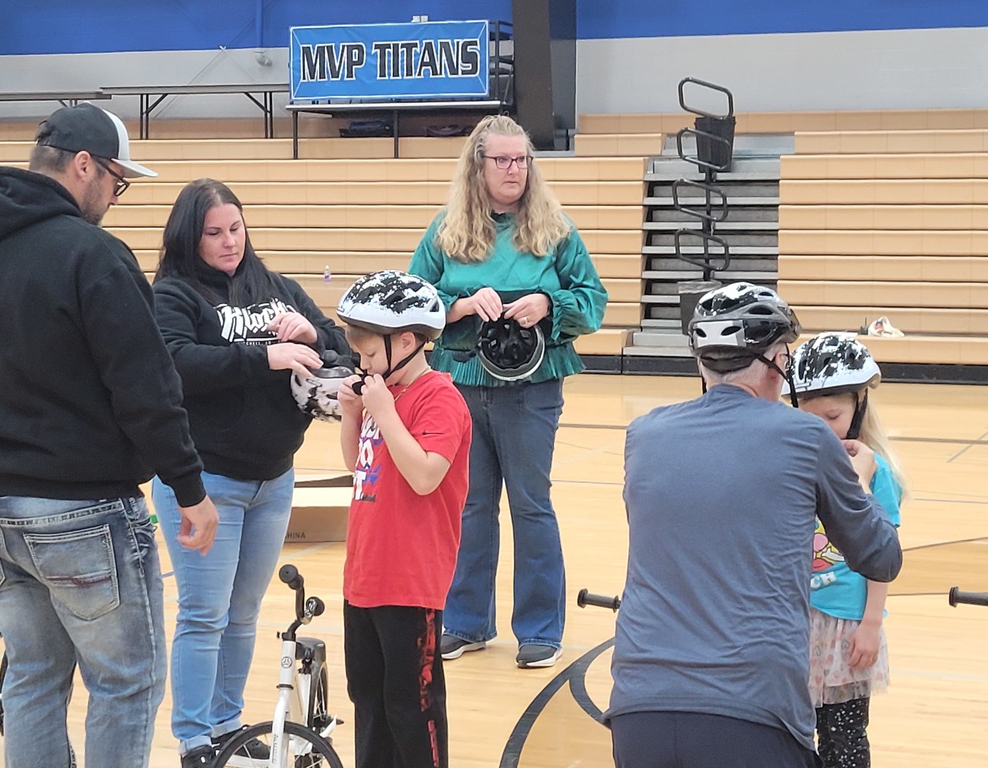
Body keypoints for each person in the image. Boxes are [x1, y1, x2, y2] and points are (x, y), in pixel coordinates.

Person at [0, 103, 219, 768]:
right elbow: (147, 387)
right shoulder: (92, 254)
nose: (113, 194)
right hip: (82, 509)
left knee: (32, 680)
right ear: (84, 166)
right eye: (114, 179)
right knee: (125, 683)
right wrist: (190, 488)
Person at [605, 282, 903, 768]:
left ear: (701, 362)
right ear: (778, 362)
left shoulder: (644, 434)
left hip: (640, 707)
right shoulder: (806, 437)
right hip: (751, 710)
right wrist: (860, 482)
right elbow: (881, 556)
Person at [150, 178, 351, 767]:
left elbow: (341, 342)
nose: (228, 242)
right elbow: (177, 364)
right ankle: (193, 739)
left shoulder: (277, 288)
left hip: (273, 478)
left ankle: (227, 725)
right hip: (205, 482)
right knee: (204, 613)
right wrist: (263, 354)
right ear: (191, 236)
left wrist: (311, 335)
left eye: (235, 228)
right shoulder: (173, 294)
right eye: (214, 232)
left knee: (242, 614)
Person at [409, 114, 608, 669]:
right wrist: (465, 305)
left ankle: (540, 628)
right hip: (462, 387)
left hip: (533, 390)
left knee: (531, 504)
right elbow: (411, 305)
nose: (514, 169)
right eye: (502, 159)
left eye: (521, 159)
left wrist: (549, 305)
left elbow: (594, 298)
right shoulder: (444, 231)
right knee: (470, 506)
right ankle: (467, 621)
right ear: (478, 165)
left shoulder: (556, 229)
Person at [335, 269, 472, 768]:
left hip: (410, 582)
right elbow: (358, 464)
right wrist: (354, 413)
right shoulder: (382, 394)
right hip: (365, 576)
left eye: (370, 354)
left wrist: (385, 411)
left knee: (413, 710)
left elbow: (425, 476)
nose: (363, 363)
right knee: (368, 703)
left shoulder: (439, 398)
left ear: (409, 342)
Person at [789, 332, 906, 768]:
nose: (821, 428)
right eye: (808, 417)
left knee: (844, 739)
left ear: (859, 407)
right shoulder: (792, 463)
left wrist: (871, 624)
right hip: (794, 623)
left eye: (833, 416)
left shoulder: (874, 474)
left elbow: (883, 556)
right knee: (792, 735)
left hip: (846, 629)